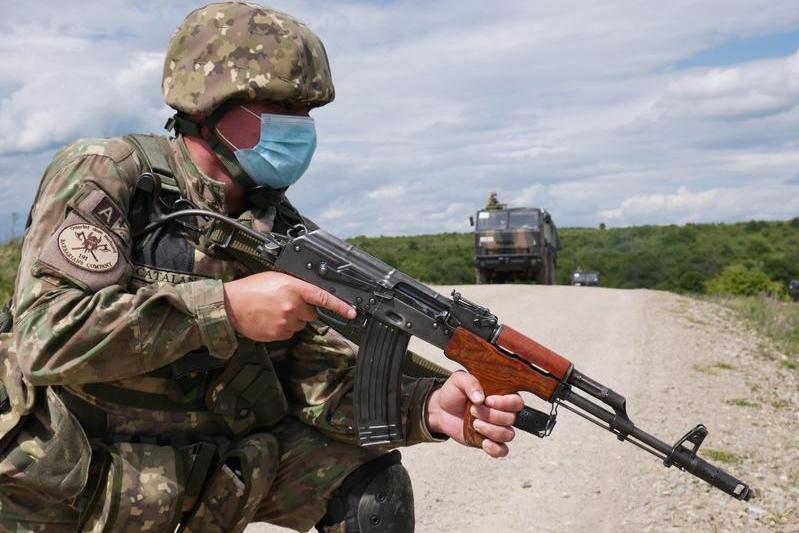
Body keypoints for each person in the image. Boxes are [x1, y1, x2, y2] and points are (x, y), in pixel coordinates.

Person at [0, 3, 523, 532]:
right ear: (210, 104)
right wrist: (224, 309)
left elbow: (314, 378)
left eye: (306, 112)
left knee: (372, 492)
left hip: (189, 462)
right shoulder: (110, 174)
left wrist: (426, 405)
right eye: (279, 107)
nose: (298, 127)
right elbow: (47, 337)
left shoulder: (277, 226)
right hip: (68, 475)